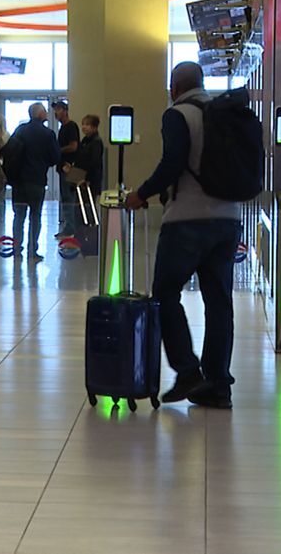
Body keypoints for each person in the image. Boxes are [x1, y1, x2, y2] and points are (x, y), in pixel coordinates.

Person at [125, 62, 242, 410]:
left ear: (174, 87)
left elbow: (172, 162)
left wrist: (141, 193)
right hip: (228, 220)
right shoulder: (225, 114)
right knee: (219, 303)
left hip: (187, 221)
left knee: (164, 293)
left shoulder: (178, 115)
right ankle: (218, 385)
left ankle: (189, 371)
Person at [5, 103, 60, 261]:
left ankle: (17, 247)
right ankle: (32, 250)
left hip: (19, 182)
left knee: (19, 216)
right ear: (39, 114)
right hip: (37, 180)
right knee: (35, 216)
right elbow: (55, 158)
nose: (47, 113)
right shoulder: (48, 134)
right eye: (45, 111)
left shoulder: (20, 130)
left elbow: (10, 151)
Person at [52, 100, 79, 237]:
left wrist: (58, 150)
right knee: (66, 198)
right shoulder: (63, 128)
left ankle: (71, 228)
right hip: (63, 168)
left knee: (69, 199)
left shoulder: (71, 126)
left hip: (69, 169)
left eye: (58, 109)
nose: (56, 113)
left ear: (65, 110)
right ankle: (69, 226)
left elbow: (73, 146)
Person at [65, 113, 105, 198]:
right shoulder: (84, 141)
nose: (84, 127)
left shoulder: (96, 142)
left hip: (89, 180)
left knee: (87, 206)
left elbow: (95, 162)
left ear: (94, 127)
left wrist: (87, 178)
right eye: (83, 124)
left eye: (87, 124)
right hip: (81, 178)